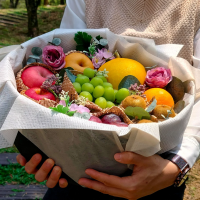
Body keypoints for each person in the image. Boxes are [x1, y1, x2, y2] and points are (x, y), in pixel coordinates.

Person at [16, 0, 200, 199]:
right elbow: (69, 57)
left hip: (158, 176)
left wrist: (177, 163)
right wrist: (51, 145)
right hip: (80, 169)